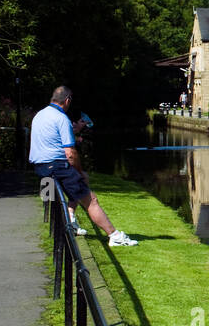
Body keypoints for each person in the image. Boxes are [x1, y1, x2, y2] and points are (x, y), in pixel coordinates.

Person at [29, 86, 138, 247]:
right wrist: (79, 173)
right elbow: (70, 153)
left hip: (40, 167)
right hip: (57, 166)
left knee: (51, 199)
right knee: (90, 199)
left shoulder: (40, 115)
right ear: (67, 100)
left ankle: (65, 225)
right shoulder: (61, 118)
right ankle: (114, 236)